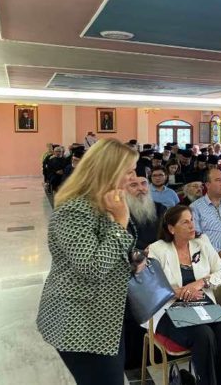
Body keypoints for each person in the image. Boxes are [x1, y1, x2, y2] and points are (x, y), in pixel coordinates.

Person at [36, 138, 142, 385]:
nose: (134, 178)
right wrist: (120, 223)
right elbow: (93, 267)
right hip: (81, 323)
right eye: (129, 172)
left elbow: (110, 252)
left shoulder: (108, 202)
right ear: (109, 171)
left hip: (108, 318)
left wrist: (132, 261)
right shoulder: (74, 210)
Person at [148, 205, 221, 385]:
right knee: (203, 335)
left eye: (192, 220)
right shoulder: (157, 249)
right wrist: (178, 292)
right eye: (185, 222)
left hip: (202, 305)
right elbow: (151, 287)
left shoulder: (202, 243)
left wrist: (201, 283)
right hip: (170, 308)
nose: (192, 225)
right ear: (171, 229)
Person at [125, 173, 166, 249]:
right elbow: (126, 238)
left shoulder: (160, 208)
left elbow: (167, 231)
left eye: (144, 183)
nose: (141, 188)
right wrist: (148, 248)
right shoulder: (121, 212)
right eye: (134, 185)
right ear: (124, 190)